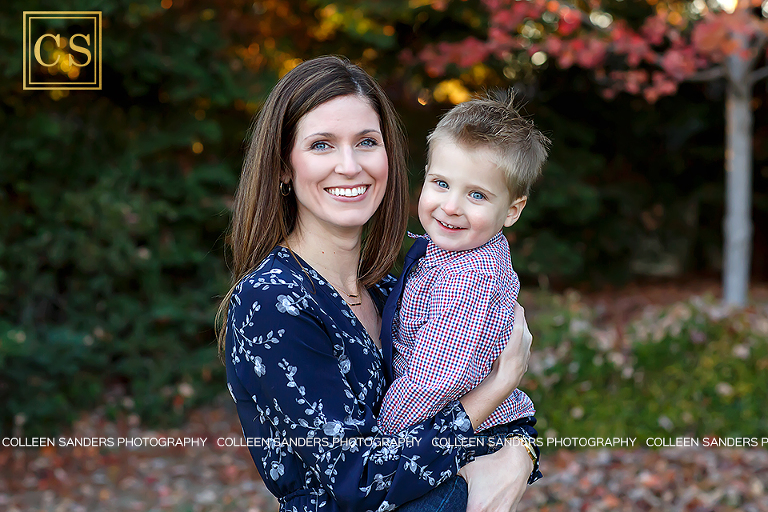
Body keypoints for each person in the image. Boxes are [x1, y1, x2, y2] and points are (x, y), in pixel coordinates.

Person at [218, 55, 536, 512]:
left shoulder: (398, 283)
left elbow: (490, 417)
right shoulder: (274, 301)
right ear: (284, 166)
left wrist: (517, 454)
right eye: (322, 145)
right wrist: (496, 391)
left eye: (366, 142)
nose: (349, 166)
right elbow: (358, 480)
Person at [378, 93, 550, 470]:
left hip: (469, 442)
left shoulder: (470, 277)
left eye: (476, 194)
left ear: (512, 210)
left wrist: (382, 436)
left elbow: (434, 380)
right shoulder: (446, 253)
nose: (452, 205)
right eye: (440, 183)